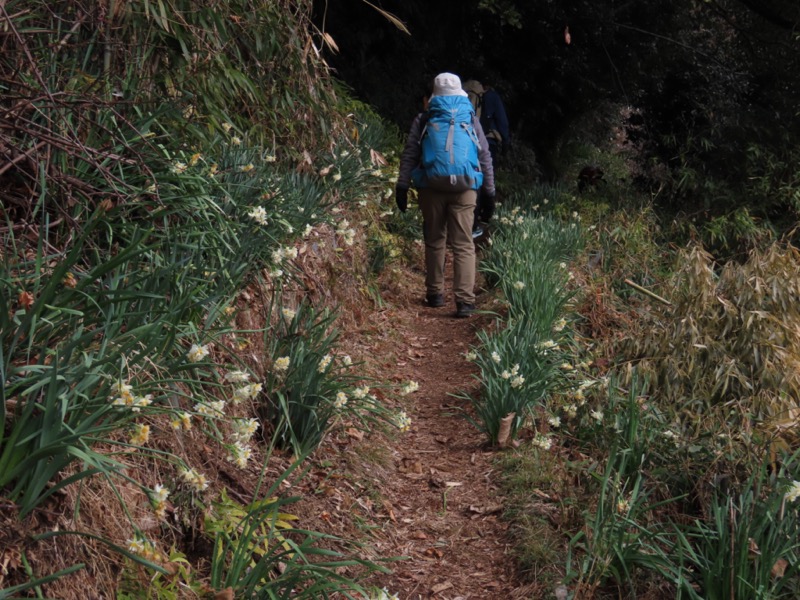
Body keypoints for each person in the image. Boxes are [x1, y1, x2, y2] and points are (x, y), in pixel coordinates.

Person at [395, 72, 495, 318]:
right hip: (465, 188)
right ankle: (464, 302)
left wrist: (402, 185)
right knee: (463, 243)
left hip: (431, 186)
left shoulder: (425, 118)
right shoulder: (470, 118)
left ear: (434, 95)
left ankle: (435, 294)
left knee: (435, 239)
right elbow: (484, 156)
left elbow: (411, 153)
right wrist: (489, 192)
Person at [462, 79, 510, 234]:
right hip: (488, 141)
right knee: (483, 179)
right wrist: (505, 142)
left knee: (470, 181)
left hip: (466, 142)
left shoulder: (464, 93)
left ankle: (465, 221)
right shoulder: (492, 97)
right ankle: (477, 221)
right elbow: (502, 121)